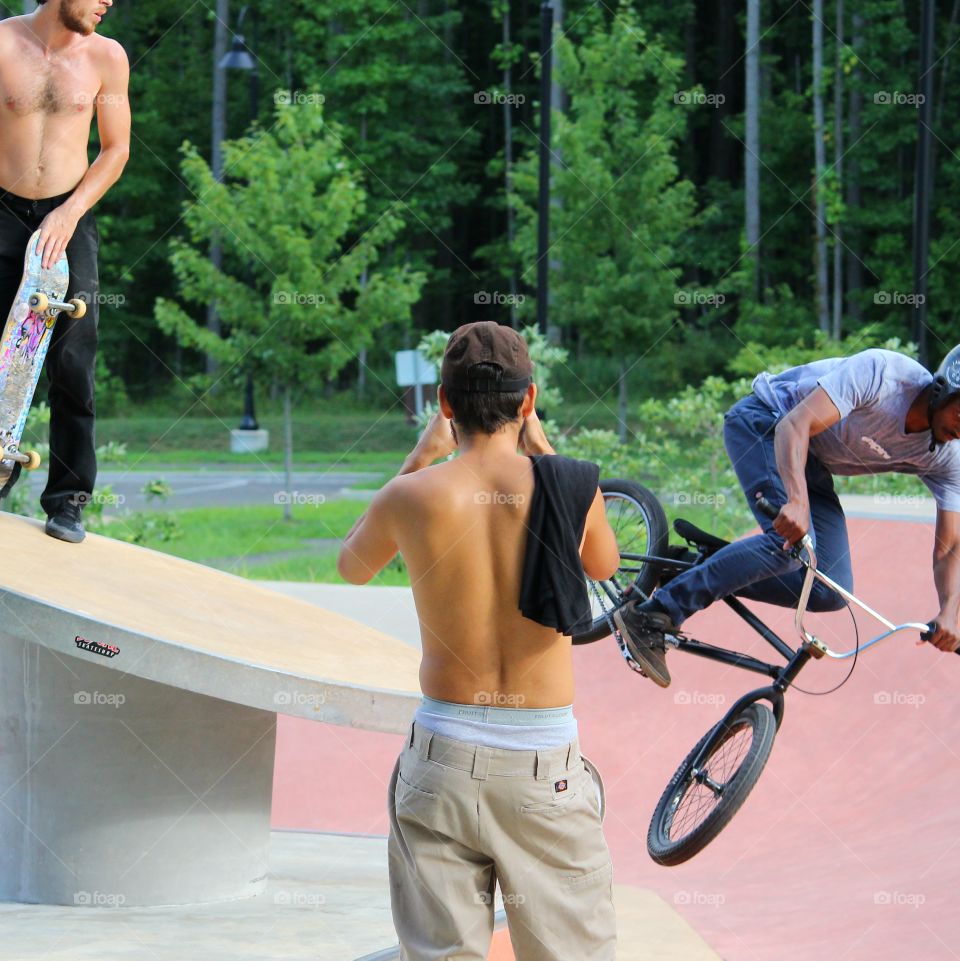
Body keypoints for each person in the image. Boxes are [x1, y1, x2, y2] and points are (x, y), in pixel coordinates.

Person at [338, 321, 620, 961]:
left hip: (442, 758)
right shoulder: (571, 488)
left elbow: (351, 566)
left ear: (442, 404)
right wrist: (545, 453)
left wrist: (418, 459)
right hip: (542, 767)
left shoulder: (412, 495)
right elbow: (603, 566)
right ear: (528, 401)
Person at [616, 346, 960, 688]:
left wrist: (949, 610)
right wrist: (796, 501)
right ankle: (652, 615)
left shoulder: (949, 456)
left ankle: (689, 568)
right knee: (790, 544)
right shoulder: (884, 375)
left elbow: (950, 547)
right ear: (944, 389)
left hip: (812, 464)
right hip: (766, 423)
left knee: (830, 592)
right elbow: (795, 425)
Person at [0, 0, 130, 542]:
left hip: (70, 217)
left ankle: (68, 501)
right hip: (2, 212)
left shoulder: (107, 56)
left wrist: (69, 213)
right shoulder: (3, 43)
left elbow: (116, 149)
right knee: (3, 355)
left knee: (74, 362)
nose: (108, 3)